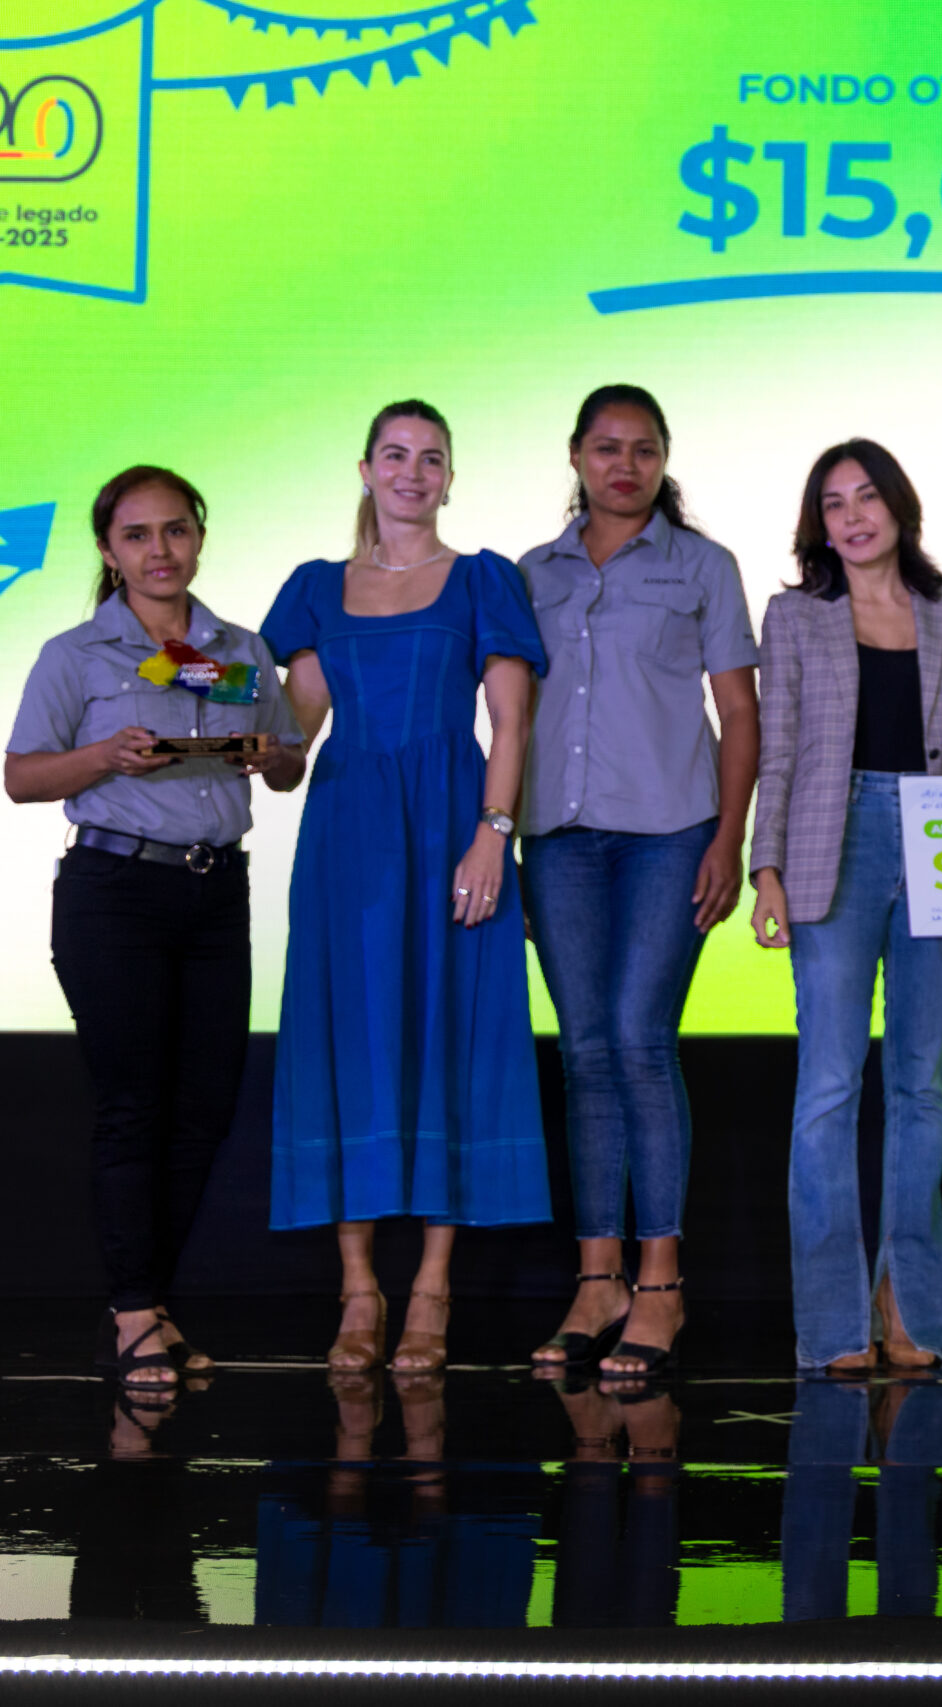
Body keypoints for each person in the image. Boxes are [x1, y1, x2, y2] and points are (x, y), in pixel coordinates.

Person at [263, 399, 550, 1374]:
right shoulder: (316, 586)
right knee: (346, 1036)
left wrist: (492, 836)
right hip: (346, 834)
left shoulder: (482, 578)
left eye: (431, 458)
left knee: (448, 1033)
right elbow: (292, 739)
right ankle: (358, 1288)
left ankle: (432, 1287)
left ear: (450, 478)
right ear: (365, 469)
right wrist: (233, 739)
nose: (412, 472)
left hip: (450, 826)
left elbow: (512, 723)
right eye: (395, 455)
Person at [5, 467, 305, 1384]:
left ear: (199, 537)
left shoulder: (239, 648)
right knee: (134, 1105)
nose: (160, 550)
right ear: (109, 550)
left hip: (215, 894)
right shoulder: (76, 653)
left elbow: (289, 765)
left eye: (176, 530)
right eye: (137, 535)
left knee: (206, 1109)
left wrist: (270, 755)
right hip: (114, 890)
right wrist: (103, 755)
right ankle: (135, 1308)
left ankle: (144, 1305)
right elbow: (20, 776)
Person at [517, 384, 760, 1381]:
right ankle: (597, 1280)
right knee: (584, 1053)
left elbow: (739, 714)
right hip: (559, 840)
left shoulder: (703, 566)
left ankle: (659, 1282)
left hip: (671, 834)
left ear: (665, 460)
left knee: (637, 1041)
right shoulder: (530, 573)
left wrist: (730, 840)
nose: (627, 465)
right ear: (576, 455)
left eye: (645, 449)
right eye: (608, 448)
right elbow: (508, 714)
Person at [750, 439, 942, 1377]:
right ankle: (833, 1324)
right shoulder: (794, 615)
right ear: (819, 524)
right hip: (833, 844)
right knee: (829, 1087)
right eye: (833, 503)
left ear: (899, 505)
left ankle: (907, 1301)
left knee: (922, 1085)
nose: (852, 517)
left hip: (941, 844)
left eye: (866, 497)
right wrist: (766, 868)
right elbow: (777, 749)